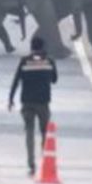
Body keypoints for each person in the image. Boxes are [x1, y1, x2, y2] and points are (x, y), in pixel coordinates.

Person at [8, 36, 58, 176]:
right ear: (43, 46)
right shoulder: (49, 61)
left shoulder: (24, 61)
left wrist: (11, 99)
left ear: (32, 46)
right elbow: (54, 80)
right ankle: (45, 160)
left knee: (29, 132)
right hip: (43, 102)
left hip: (27, 102)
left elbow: (16, 80)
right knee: (44, 133)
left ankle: (31, 165)